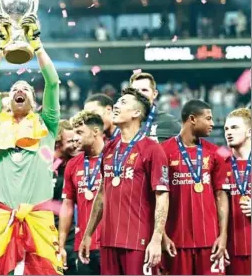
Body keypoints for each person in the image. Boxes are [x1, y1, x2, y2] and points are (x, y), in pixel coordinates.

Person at [0, 13, 63, 275]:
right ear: (8, 99)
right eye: (15, 88)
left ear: (35, 100)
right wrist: (0, 46)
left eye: (26, 89)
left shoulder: (47, 123)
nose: (20, 90)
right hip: (4, 218)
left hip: (39, 219)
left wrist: (36, 44)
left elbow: (52, 82)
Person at [78, 88, 170, 275]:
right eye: (117, 102)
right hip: (108, 240)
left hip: (138, 240)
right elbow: (102, 194)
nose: (116, 106)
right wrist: (88, 234)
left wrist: (156, 239)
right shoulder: (110, 148)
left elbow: (162, 197)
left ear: (136, 113)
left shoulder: (152, 149)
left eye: (123, 102)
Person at [161, 100, 229, 275]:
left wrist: (223, 236)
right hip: (175, 240)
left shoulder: (215, 153)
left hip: (210, 240)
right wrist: (162, 235)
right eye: (208, 118)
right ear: (192, 119)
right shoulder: (163, 151)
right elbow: (156, 197)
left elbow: (221, 195)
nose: (212, 123)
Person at [60, 111, 105, 275]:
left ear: (95, 132)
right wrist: (61, 244)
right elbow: (67, 206)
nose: (75, 137)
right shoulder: (72, 164)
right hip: (83, 246)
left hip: (112, 244)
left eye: (80, 132)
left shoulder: (115, 158)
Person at [223, 108, 251, 275]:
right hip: (228, 249)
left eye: (234, 128)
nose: (229, 132)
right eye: (226, 129)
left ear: (249, 132)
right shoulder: (220, 164)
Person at [53, 120, 78, 275]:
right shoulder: (42, 162)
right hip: (45, 232)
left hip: (69, 235)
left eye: (76, 140)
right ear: (57, 143)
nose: (75, 145)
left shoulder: (74, 163)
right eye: (70, 141)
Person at [129, 72, 180, 142]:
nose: (140, 94)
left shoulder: (169, 122)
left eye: (144, 90)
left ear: (154, 94)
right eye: (135, 91)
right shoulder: (121, 122)